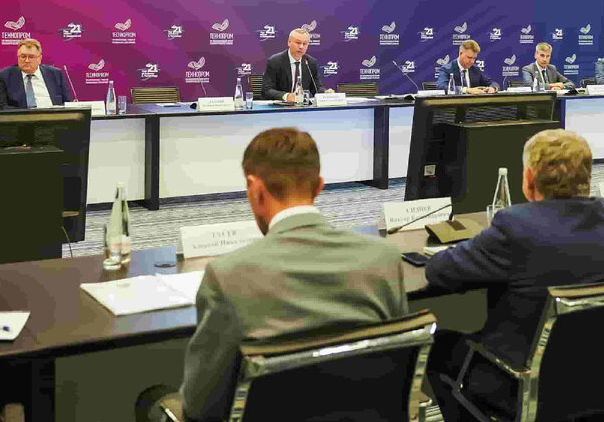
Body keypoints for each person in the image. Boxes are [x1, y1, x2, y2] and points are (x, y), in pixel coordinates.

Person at [138, 128, 407, 422]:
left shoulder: (229, 275)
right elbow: (395, 362)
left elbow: (202, 406)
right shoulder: (384, 258)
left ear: (255, 189)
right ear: (319, 187)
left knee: (152, 399)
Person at [424, 129, 604, 421]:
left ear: (528, 179)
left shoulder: (515, 224)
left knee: (438, 345)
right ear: (587, 176)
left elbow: (439, 271)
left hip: (524, 383)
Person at [0, 38, 73, 109]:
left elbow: (67, 103)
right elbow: (1, 106)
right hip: (22, 118)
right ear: (18, 57)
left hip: (53, 117)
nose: (27, 60)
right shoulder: (5, 76)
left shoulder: (55, 74)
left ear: (40, 58)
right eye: (23, 56)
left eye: (31, 57)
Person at [260, 28, 328, 102]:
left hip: (302, 106)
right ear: (289, 42)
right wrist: (286, 96)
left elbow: (316, 88)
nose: (301, 47)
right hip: (280, 106)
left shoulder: (311, 62)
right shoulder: (275, 61)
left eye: (304, 44)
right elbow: (266, 90)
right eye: (298, 43)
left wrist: (325, 93)